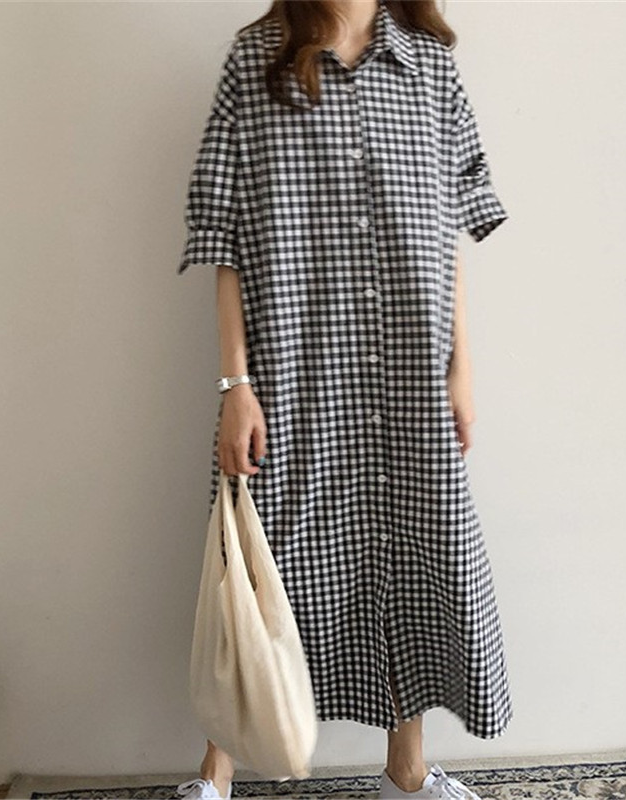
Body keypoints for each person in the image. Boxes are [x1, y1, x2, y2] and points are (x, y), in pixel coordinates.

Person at [175, 1, 514, 798]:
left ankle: (408, 770)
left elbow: (449, 229)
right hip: (291, 375)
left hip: (408, 373)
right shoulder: (257, 60)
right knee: (257, 565)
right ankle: (215, 776)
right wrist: (235, 384)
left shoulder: (429, 68)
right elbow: (223, 235)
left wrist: (461, 367)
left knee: (413, 554)